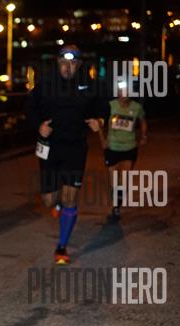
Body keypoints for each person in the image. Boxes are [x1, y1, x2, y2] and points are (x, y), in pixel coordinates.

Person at [25, 44, 106, 265]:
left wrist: (99, 120)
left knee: (71, 197)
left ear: (79, 64)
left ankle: (61, 247)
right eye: (63, 62)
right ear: (57, 62)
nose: (67, 67)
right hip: (49, 147)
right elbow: (29, 107)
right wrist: (38, 126)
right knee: (49, 200)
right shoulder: (46, 84)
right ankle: (58, 206)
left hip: (75, 147)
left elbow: (103, 105)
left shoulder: (90, 84)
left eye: (72, 62)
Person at [98, 82, 147, 220]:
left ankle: (116, 206)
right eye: (121, 91)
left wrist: (143, 135)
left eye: (126, 91)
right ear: (118, 92)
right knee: (114, 180)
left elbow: (143, 121)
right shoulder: (110, 105)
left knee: (124, 180)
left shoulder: (136, 107)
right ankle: (115, 204)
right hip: (112, 148)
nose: (124, 94)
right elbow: (100, 122)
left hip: (129, 148)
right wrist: (102, 139)